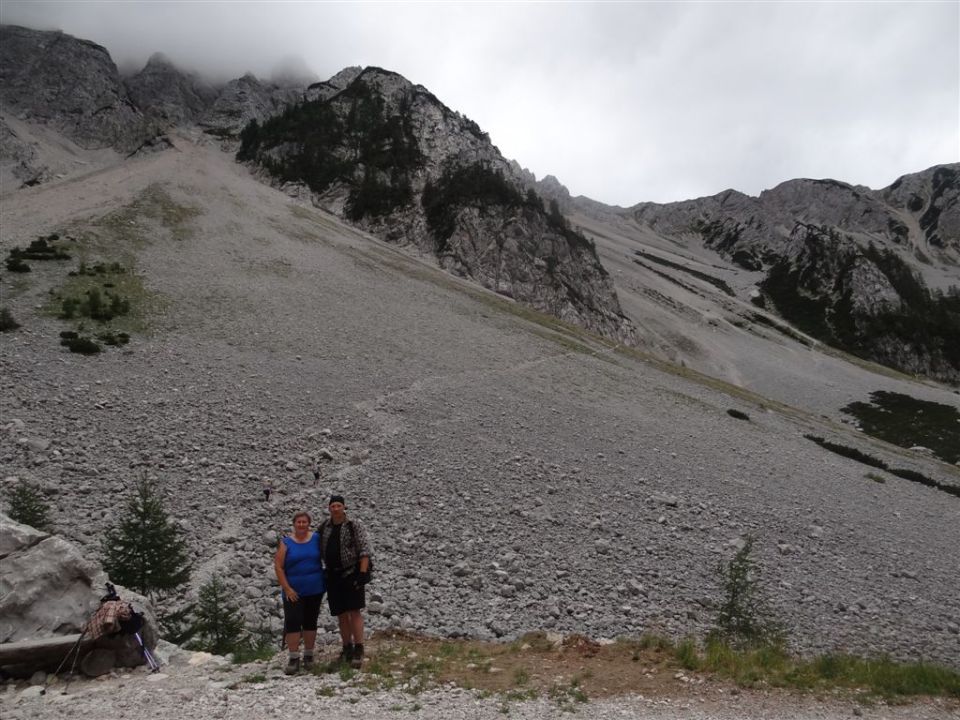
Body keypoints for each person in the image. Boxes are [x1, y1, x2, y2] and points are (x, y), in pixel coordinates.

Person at [319, 494, 372, 669]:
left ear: (343, 507)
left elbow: (364, 549)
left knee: (354, 611)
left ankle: (359, 648)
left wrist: (362, 574)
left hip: (351, 573)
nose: (335, 509)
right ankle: (346, 647)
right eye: (333, 506)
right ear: (329, 508)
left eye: (338, 506)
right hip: (332, 576)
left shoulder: (353, 525)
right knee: (341, 614)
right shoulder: (324, 527)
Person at [274, 511, 325, 674]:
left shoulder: (316, 539)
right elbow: (278, 566)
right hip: (293, 590)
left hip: (314, 588)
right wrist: (287, 588)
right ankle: (294, 657)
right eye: (299, 522)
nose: (301, 525)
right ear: (294, 524)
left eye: (304, 522)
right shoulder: (286, 542)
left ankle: (309, 654)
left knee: (311, 621)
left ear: (309, 524)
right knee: (293, 622)